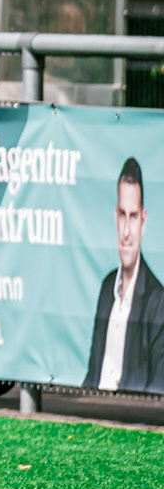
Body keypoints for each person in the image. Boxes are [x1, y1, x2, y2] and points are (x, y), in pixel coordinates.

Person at [85, 158, 164, 393]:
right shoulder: (107, 287)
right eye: (122, 215)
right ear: (115, 216)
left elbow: (158, 388)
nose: (127, 232)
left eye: (133, 216)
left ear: (143, 220)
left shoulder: (158, 301)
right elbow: (92, 373)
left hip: (127, 414)